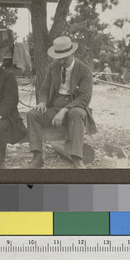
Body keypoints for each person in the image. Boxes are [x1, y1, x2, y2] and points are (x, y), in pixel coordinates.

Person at [26, 36, 97, 169]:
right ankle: (37, 157)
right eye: (59, 58)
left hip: (74, 107)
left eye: (65, 57)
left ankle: (77, 158)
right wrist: (42, 102)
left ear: (73, 53)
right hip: (54, 107)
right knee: (32, 114)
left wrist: (65, 110)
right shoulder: (53, 67)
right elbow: (44, 89)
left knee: (76, 113)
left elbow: (85, 98)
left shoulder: (85, 70)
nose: (62, 61)